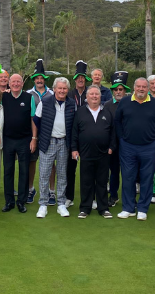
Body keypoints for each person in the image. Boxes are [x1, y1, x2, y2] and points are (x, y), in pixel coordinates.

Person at [114, 77, 155, 221]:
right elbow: (117, 121)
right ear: (134, 87)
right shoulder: (125, 102)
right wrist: (121, 138)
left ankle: (143, 209)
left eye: (144, 87)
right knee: (128, 177)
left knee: (147, 178)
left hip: (149, 147)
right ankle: (128, 208)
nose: (141, 89)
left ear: (148, 88)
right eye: (138, 86)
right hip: (128, 146)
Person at [71, 86, 116, 219]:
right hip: (86, 153)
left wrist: (111, 147)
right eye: (92, 94)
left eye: (97, 94)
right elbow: (74, 132)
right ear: (87, 97)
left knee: (102, 181)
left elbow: (113, 132)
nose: (94, 96)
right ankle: (85, 208)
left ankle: (103, 208)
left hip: (103, 153)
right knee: (86, 181)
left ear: (100, 97)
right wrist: (74, 149)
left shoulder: (107, 112)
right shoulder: (80, 112)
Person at [35, 77, 75, 218]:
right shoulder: (45, 102)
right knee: (44, 174)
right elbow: (36, 120)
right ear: (54, 89)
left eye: (64, 88)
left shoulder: (72, 103)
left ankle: (61, 204)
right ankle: (43, 204)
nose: (62, 91)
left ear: (67, 90)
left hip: (64, 142)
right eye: (60, 88)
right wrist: (41, 136)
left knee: (62, 174)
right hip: (48, 142)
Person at [1, 74, 37, 213]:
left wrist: (34, 138)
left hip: (24, 140)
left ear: (22, 84)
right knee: (8, 171)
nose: (16, 84)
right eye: (13, 81)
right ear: (9, 84)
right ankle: (9, 201)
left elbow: (33, 119)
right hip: (8, 139)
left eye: (18, 82)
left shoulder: (29, 98)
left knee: (24, 171)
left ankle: (21, 201)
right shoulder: (4, 96)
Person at [27, 59, 54, 205]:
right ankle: (30, 189)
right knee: (32, 161)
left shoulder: (52, 93)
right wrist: (33, 137)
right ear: (34, 80)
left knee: (50, 163)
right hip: (33, 134)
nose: (39, 80)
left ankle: (51, 191)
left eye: (41, 78)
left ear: (45, 79)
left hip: (49, 134)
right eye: (37, 78)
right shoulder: (28, 94)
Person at [66, 60, 91, 207]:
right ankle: (68, 197)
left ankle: (89, 198)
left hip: (88, 137)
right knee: (70, 169)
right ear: (75, 79)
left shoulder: (91, 93)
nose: (80, 80)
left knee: (88, 170)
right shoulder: (69, 94)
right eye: (78, 77)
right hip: (72, 137)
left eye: (83, 77)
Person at [105, 71, 129, 207]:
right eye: (116, 89)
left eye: (121, 89)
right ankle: (113, 196)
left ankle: (129, 197)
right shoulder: (107, 105)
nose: (118, 92)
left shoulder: (131, 103)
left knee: (128, 172)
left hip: (128, 144)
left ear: (124, 90)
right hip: (112, 145)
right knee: (114, 172)